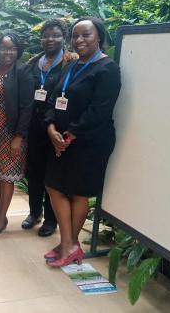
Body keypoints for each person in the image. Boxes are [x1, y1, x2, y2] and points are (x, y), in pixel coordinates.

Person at [43, 17, 121, 267]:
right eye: (75, 35)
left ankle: (68, 245)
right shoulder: (72, 66)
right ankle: (70, 243)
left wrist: (69, 136)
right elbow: (55, 99)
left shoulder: (108, 68)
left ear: (99, 37)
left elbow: (99, 110)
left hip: (90, 143)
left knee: (78, 193)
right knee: (53, 185)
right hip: (62, 139)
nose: (79, 40)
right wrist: (51, 128)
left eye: (85, 35)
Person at [21, 19, 78, 237]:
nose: (50, 39)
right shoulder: (34, 62)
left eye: (55, 35)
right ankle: (34, 213)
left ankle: (50, 220)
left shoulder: (71, 62)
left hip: (55, 127)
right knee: (33, 173)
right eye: (45, 35)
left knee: (52, 177)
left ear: (64, 38)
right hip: (34, 127)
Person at [0, 33, 34, 235]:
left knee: (8, 176)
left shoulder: (22, 71)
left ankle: (2, 218)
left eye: (12, 48)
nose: (8, 52)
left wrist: (19, 137)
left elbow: (27, 107)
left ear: (17, 50)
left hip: (12, 134)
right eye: (3, 48)